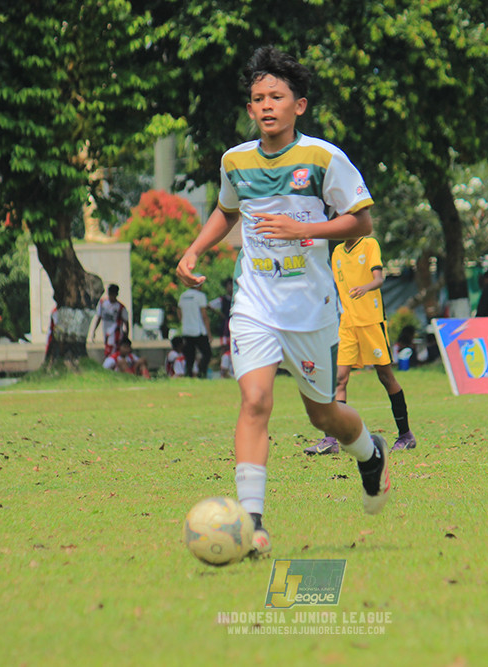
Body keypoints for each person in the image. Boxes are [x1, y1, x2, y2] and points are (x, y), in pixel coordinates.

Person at [175, 46, 390, 557]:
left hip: (310, 308)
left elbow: (361, 221)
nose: (267, 105)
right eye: (258, 98)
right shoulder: (235, 161)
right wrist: (195, 248)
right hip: (255, 302)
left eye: (277, 96)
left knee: (323, 416)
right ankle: (251, 524)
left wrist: (305, 229)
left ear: (300, 105)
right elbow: (227, 211)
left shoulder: (324, 158)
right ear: (250, 110)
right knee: (255, 401)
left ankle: (369, 451)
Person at [305, 237, 417, 455]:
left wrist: (365, 288)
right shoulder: (337, 251)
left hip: (371, 322)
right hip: (347, 324)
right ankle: (331, 439)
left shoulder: (369, 245)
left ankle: (405, 435)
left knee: (385, 376)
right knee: (339, 378)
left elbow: (379, 279)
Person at [178, 283, 212, 378]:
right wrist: (209, 333)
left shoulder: (183, 296)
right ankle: (202, 372)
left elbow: (179, 311)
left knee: (189, 357)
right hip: (199, 330)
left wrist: (183, 322)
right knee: (207, 353)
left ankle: (188, 374)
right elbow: (204, 315)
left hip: (186, 331)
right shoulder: (200, 296)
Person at [91, 283, 129, 359]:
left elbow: (126, 323)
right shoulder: (103, 304)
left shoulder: (120, 307)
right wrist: (94, 330)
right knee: (108, 349)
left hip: (116, 333)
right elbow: (99, 317)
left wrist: (126, 335)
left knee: (112, 351)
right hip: (106, 332)